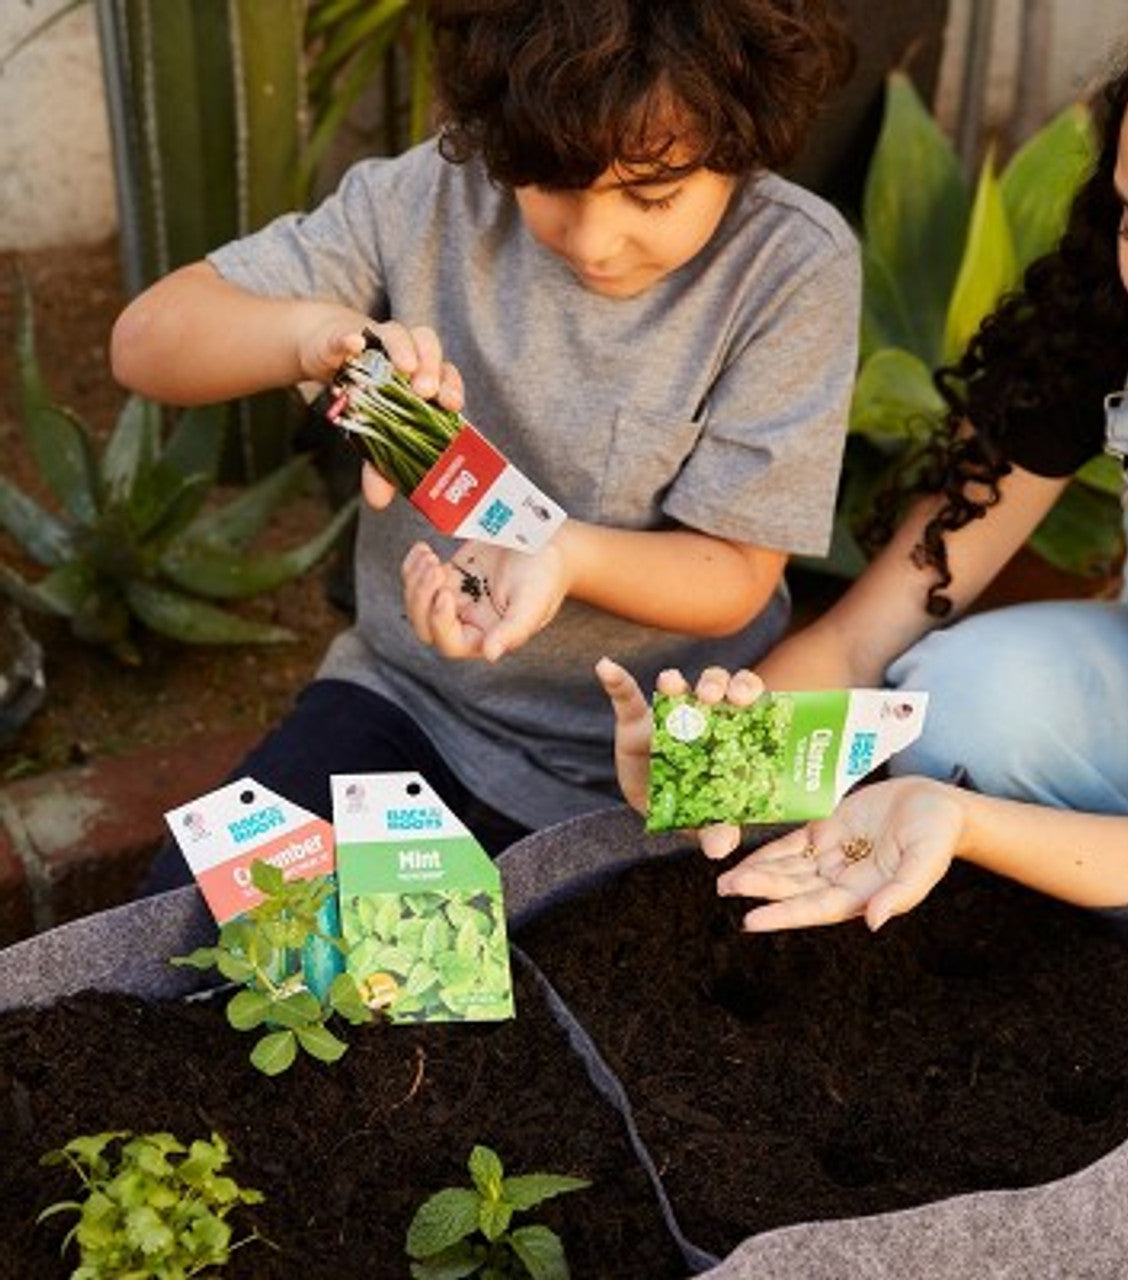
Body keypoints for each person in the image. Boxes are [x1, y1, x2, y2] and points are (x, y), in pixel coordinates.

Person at [110, 0, 861, 887]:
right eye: (550, 184)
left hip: (663, 745)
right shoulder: (427, 200)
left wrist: (562, 556)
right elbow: (146, 339)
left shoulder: (791, 268)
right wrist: (316, 336)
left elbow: (736, 576)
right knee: (200, 920)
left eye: (652, 194)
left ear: (745, 143)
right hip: (411, 704)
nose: (594, 240)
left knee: (571, 1004)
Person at [601, 0, 1128, 935]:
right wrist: (708, 769)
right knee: (953, 703)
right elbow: (860, 639)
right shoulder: (1114, 330)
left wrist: (968, 825)